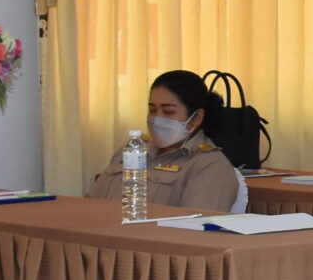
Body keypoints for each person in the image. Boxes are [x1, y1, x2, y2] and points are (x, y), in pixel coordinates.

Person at [90, 70, 243, 213]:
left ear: (196, 118)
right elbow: (90, 204)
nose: (157, 119)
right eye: (152, 110)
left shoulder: (210, 166)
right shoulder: (132, 150)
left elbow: (194, 226)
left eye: (168, 111)